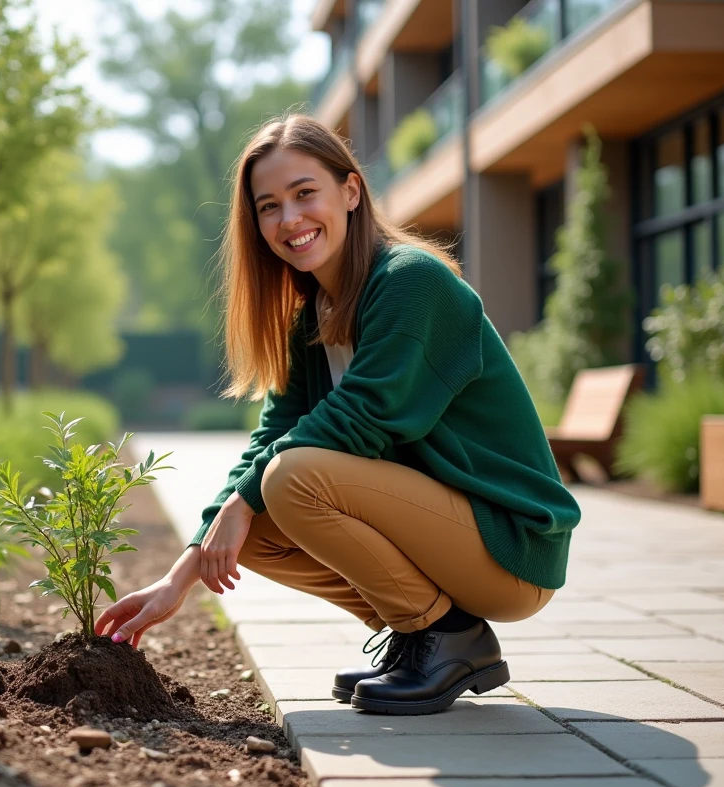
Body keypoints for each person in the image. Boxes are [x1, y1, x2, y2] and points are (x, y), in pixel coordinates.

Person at [94, 114, 580, 716]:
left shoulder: (411, 282)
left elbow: (367, 418)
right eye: (268, 206)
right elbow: (270, 435)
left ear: (350, 192)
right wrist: (182, 572)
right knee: (248, 528)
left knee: (287, 480)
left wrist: (243, 501)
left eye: (305, 194)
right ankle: (421, 632)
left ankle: (448, 635)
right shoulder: (314, 317)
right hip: (448, 535)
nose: (289, 219)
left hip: (509, 546)